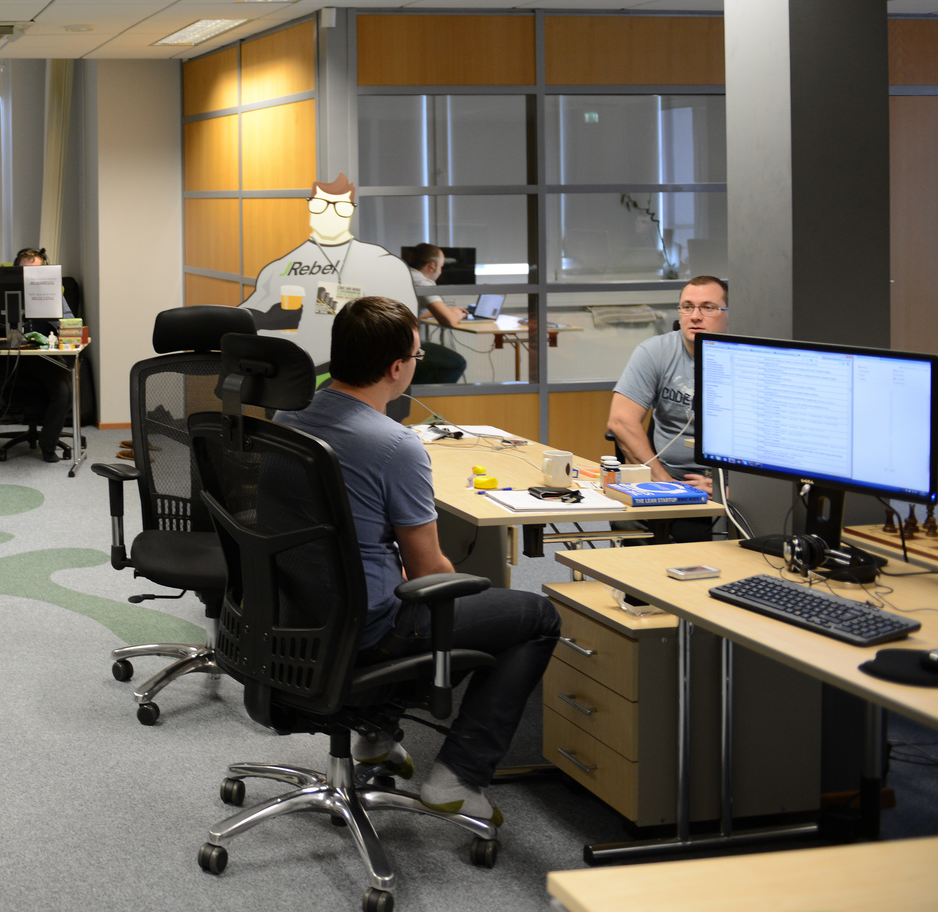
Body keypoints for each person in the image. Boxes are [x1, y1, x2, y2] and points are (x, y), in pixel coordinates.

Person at [274, 296, 561, 826]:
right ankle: (458, 776)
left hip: (295, 613)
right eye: (416, 357)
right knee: (536, 616)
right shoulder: (395, 446)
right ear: (396, 368)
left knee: (433, 590)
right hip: (369, 628)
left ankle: (375, 733)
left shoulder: (287, 416)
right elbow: (428, 570)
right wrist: (463, 591)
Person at [239, 173, 416, 370]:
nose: (329, 213)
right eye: (320, 204)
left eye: (340, 206)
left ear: (351, 210)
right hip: (289, 370)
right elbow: (242, 321)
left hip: (358, 371)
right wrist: (270, 320)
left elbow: (406, 331)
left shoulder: (383, 264)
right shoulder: (279, 268)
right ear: (310, 206)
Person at [607, 275, 729, 540]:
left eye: (708, 308)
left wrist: (728, 489)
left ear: (729, 314)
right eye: (687, 307)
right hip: (669, 472)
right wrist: (664, 481)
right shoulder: (655, 351)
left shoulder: (752, 358)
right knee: (627, 515)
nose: (695, 316)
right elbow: (620, 421)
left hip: (734, 479)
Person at [0, 248, 81, 462]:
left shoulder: (52, 292)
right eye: (25, 272)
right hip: (9, 361)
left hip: (44, 360)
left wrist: (51, 312)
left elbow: (72, 330)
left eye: (37, 272)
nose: (30, 277)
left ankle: (48, 446)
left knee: (63, 390)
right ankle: (30, 393)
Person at [407, 244, 468, 385]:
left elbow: (415, 312)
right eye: (441, 267)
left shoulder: (407, 275)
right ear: (432, 266)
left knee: (431, 365)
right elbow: (449, 321)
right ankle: (426, 396)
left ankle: (417, 393)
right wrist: (457, 315)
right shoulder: (422, 283)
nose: (440, 272)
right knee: (456, 362)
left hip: (391, 346)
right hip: (411, 351)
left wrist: (447, 310)